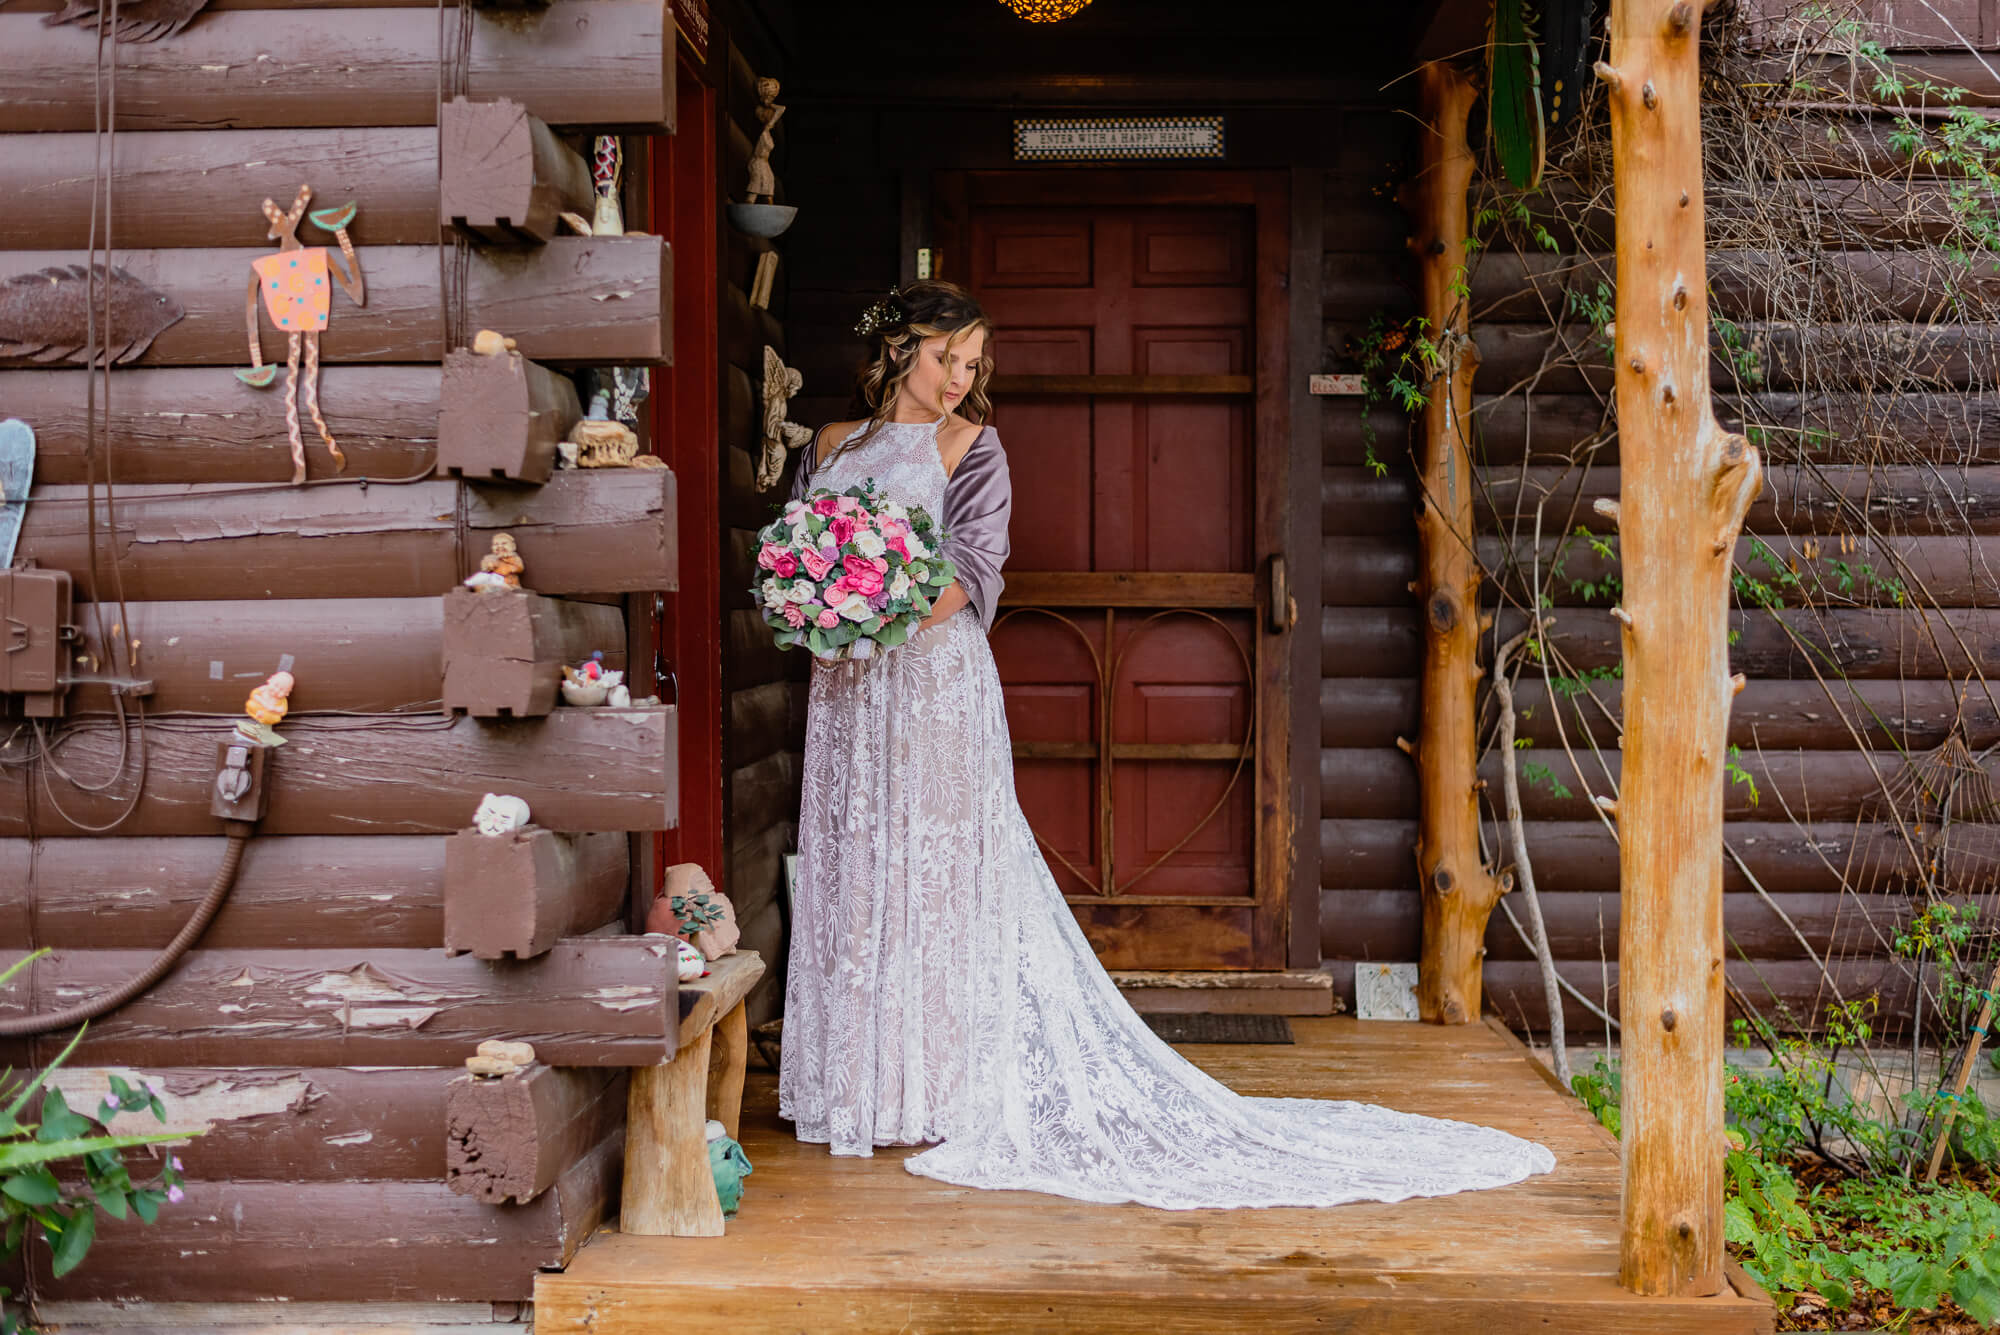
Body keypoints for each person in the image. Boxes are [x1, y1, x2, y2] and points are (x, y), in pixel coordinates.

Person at [777, 280, 1556, 1209]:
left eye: (976, 364)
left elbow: (973, 572)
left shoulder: (975, 449)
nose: (961, 379)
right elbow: (791, 553)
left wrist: (874, 608)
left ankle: (936, 1084)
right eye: (949, 357)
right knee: (858, 869)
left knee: (938, 876)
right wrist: (815, 606)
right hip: (849, 700)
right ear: (902, 348)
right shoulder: (827, 446)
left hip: (932, 690)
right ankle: (859, 1084)